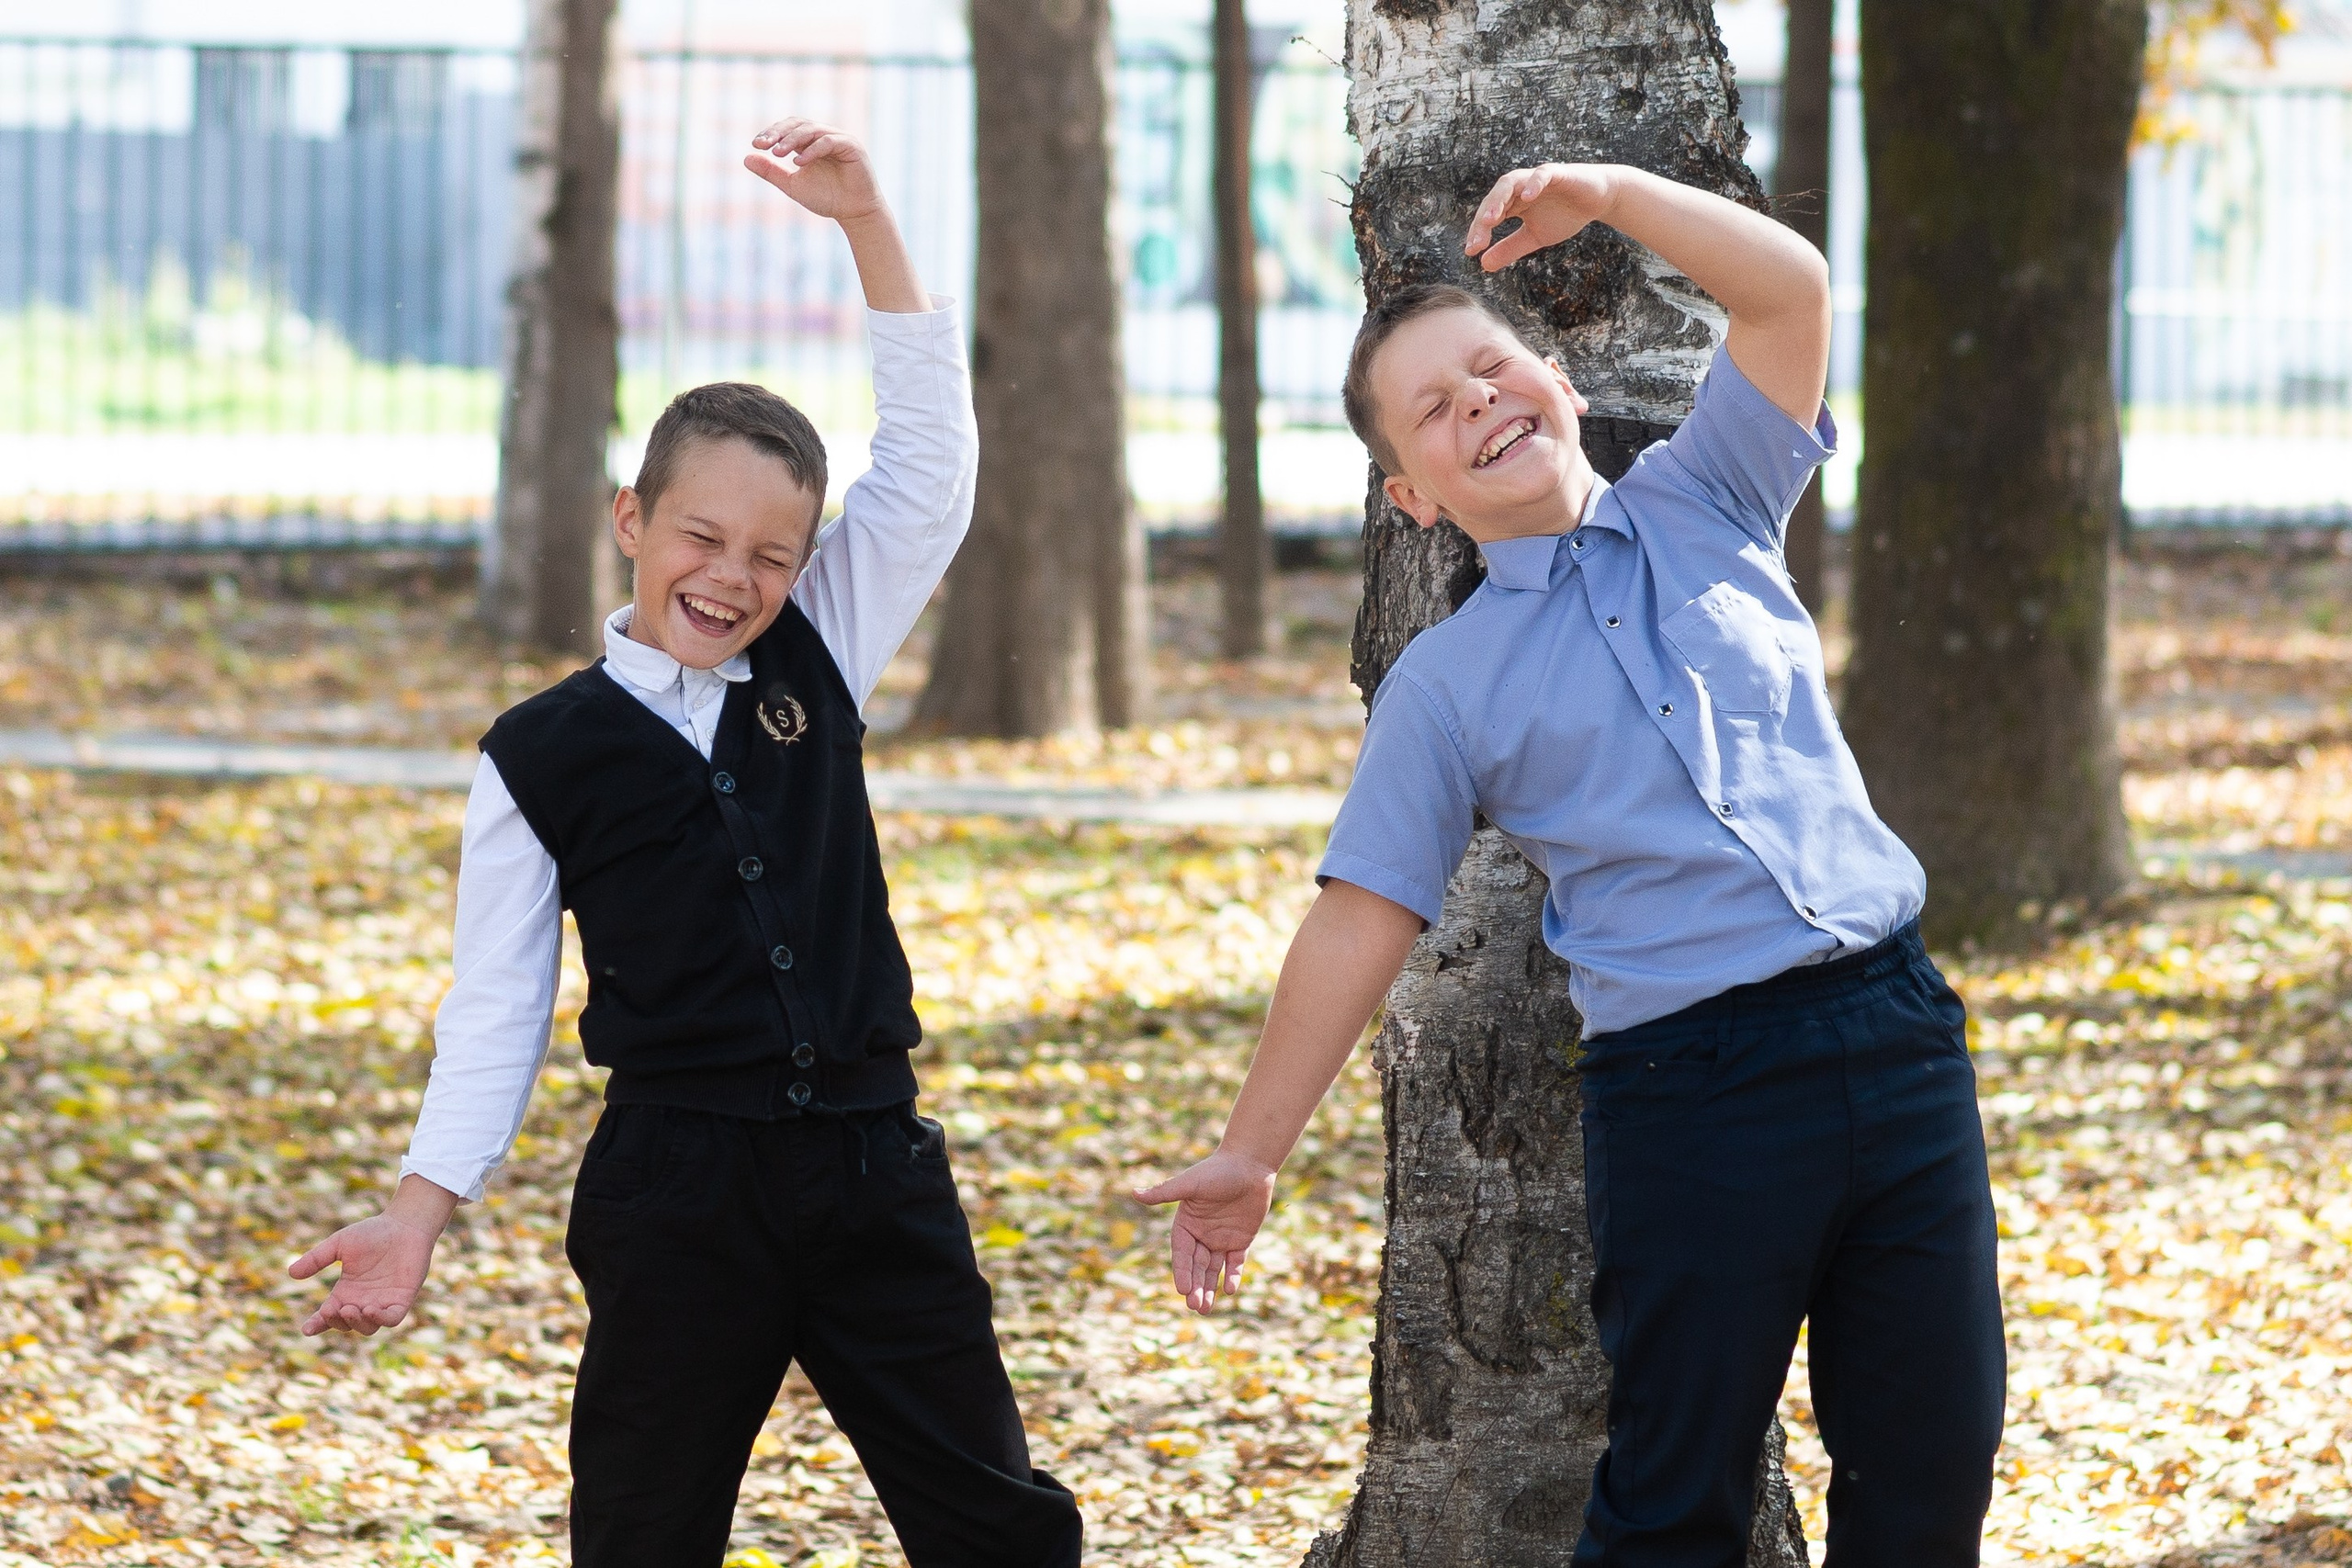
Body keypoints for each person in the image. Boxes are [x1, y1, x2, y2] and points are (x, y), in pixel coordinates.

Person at [1138, 162, 2004, 1565]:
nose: (1476, 402)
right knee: (1676, 1503)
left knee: (1932, 1473)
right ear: (1409, 497)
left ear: (1561, 381)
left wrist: (1610, 196)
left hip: (1899, 1040)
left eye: (1490, 368)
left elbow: (1791, 291)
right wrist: (1252, 1150)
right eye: (1433, 408)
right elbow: (1361, 919)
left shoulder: (1710, 495)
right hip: (1696, 1099)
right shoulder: (1447, 686)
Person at [288, 118, 1083, 1568]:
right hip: (676, 1191)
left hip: (870, 1165)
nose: (733, 578)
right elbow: (496, 1002)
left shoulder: (821, 656)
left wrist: (868, 226)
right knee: (644, 1539)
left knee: (1005, 1535)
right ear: (631, 520)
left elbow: (932, 466)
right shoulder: (538, 756)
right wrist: (418, 1212)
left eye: (773, 556)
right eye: (701, 539)